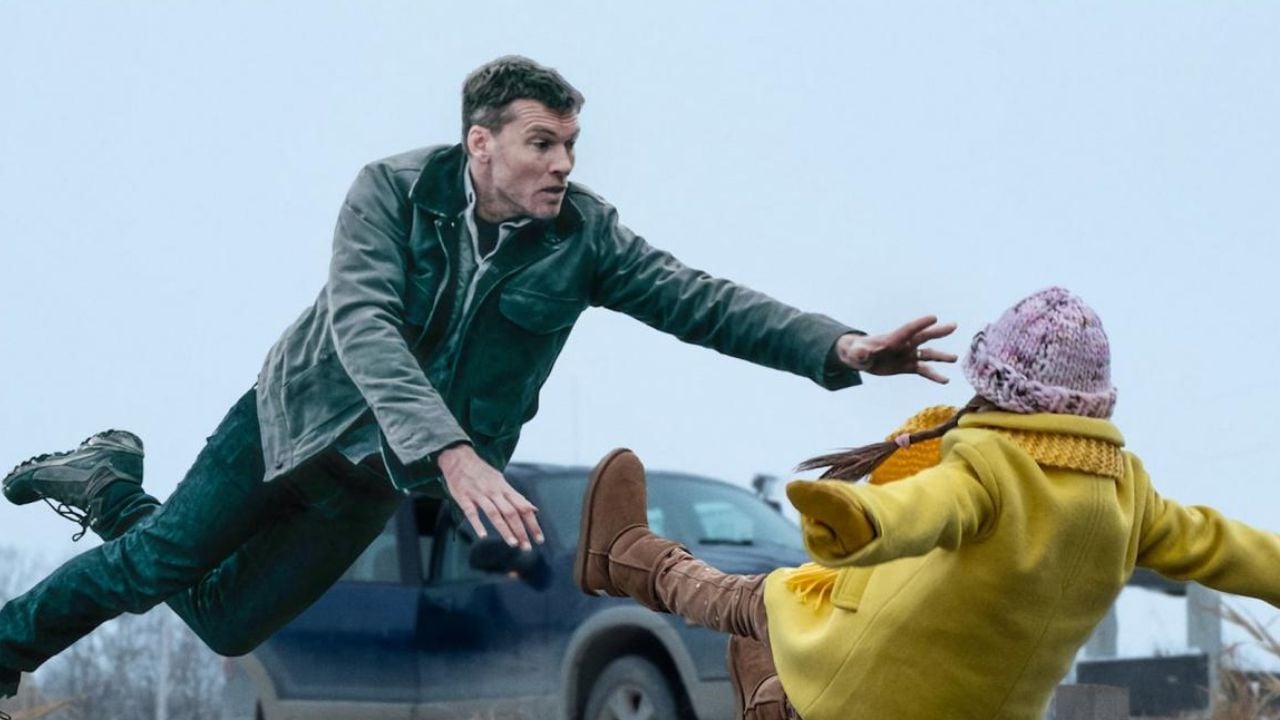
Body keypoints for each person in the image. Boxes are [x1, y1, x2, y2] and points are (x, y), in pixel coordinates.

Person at [0, 55, 956, 700]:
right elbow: (365, 326)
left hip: (375, 478)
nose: (563, 164)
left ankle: (107, 487)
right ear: (480, 143)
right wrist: (453, 453)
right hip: (291, 424)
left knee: (227, 623)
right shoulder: (390, 192)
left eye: (571, 145)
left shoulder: (585, 237)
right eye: (543, 142)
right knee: (151, 569)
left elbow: (698, 299)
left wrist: (839, 348)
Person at [574, 286, 1280, 720]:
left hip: (866, 694)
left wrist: (856, 520)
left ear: (998, 387)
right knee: (775, 611)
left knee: (758, 602)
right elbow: (1222, 544)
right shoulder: (1128, 494)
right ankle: (753, 685)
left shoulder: (994, 464)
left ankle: (632, 557)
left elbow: (925, 505)